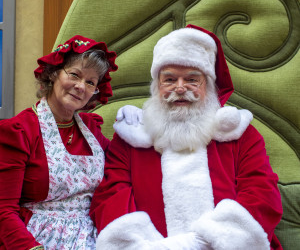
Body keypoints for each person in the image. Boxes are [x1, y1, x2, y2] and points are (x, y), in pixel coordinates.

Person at [90, 25, 283, 250]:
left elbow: (261, 194)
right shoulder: (131, 137)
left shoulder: (240, 135)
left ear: (209, 86)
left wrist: (201, 243)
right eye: (169, 80)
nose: (180, 88)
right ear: (156, 86)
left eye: (192, 79)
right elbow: (111, 197)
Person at [0, 35, 141, 250]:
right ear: (54, 73)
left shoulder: (91, 128)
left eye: (91, 82)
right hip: (37, 241)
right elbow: (3, 210)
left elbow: (122, 164)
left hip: (94, 237)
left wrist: (138, 127)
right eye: (75, 75)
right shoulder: (20, 131)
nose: (80, 86)